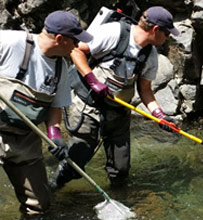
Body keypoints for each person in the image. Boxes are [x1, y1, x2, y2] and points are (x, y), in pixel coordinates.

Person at [51, 6, 180, 188]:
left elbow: (145, 90)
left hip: (118, 113)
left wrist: (160, 116)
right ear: (156, 30)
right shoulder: (113, 32)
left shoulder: (150, 55)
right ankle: (51, 191)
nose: (168, 37)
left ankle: (118, 202)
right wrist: (92, 79)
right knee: (75, 164)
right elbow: (76, 50)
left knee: (120, 170)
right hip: (88, 106)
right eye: (167, 33)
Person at [0, 10, 93, 215]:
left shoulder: (61, 67)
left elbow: (55, 107)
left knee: (39, 206)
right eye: (75, 40)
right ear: (60, 39)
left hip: (26, 140)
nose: (78, 46)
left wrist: (55, 136)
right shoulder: (9, 42)